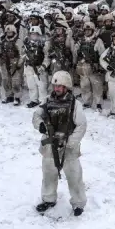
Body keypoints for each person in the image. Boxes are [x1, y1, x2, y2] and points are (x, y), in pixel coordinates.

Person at [33, 71, 87, 216]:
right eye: (55, 85)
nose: (56, 89)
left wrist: (71, 142)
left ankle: (78, 203)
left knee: (74, 176)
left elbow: (81, 125)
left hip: (68, 146)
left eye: (60, 86)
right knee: (48, 174)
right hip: (50, 146)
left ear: (67, 87)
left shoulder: (75, 104)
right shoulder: (47, 101)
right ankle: (48, 199)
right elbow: (36, 115)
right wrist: (40, 125)